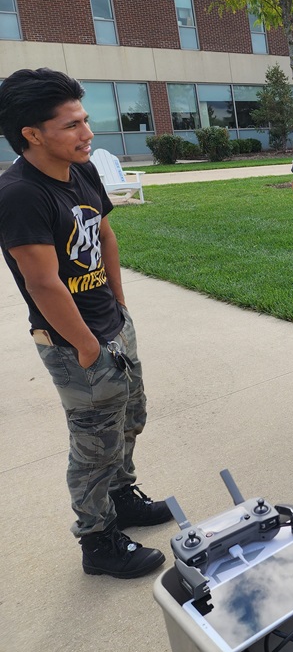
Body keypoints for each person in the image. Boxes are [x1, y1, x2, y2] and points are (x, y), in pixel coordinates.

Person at [0, 68, 171, 579]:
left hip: (112, 324)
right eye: (72, 124)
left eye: (85, 119)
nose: (87, 133)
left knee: (130, 419)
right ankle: (97, 542)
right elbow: (43, 282)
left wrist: (119, 306)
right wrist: (89, 348)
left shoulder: (81, 169)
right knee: (94, 443)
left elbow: (103, 231)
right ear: (33, 133)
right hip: (73, 342)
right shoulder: (18, 194)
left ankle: (123, 499)